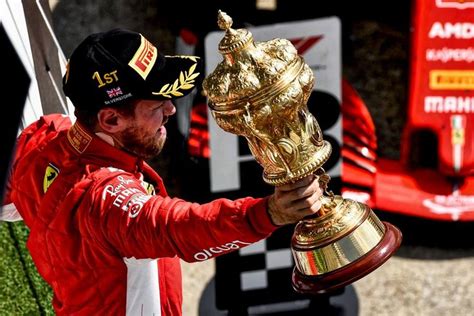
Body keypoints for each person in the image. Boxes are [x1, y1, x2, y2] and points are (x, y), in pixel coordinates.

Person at [2, 28, 323, 315]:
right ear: (111, 120)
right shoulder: (106, 203)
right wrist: (269, 214)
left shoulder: (42, 139)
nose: (171, 110)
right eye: (157, 105)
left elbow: (8, 202)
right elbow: (178, 227)